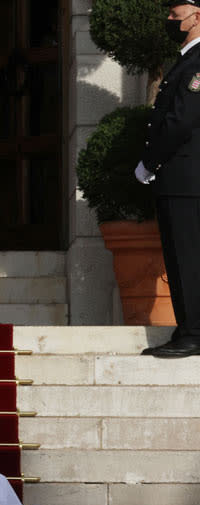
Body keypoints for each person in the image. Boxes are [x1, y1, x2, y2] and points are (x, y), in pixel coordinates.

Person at [138, 0, 200, 358]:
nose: (169, 19)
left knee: (188, 256)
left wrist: (150, 161)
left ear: (195, 17)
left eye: (175, 15)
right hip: (179, 177)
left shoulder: (197, 62)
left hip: (187, 177)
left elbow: (181, 120)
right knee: (180, 256)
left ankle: (194, 332)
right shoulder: (186, 59)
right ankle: (188, 327)